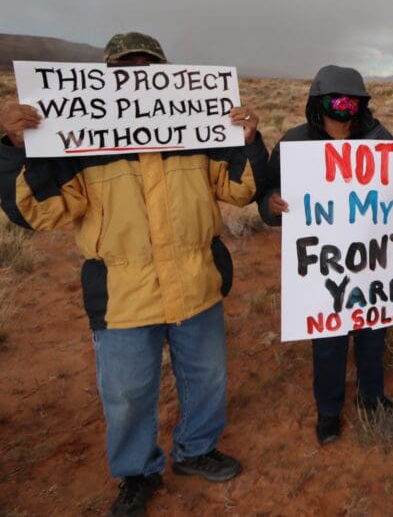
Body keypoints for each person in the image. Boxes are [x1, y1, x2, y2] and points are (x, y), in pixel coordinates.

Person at [0, 32, 267, 517]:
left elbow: (240, 190)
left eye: (148, 67)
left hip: (195, 280)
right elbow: (46, 213)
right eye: (125, 70)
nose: (138, 77)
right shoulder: (79, 141)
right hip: (123, 292)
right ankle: (137, 473)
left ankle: (196, 449)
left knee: (207, 377)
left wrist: (246, 141)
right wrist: (17, 150)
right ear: (106, 79)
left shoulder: (196, 132)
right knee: (126, 394)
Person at [259, 65, 393, 445]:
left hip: (371, 262)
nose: (345, 107)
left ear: (362, 104)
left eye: (353, 101)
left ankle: (372, 396)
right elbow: (267, 197)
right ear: (318, 103)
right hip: (323, 266)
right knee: (329, 340)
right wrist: (272, 204)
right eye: (337, 100)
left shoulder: (380, 138)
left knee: (372, 333)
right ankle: (329, 410)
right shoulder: (294, 144)